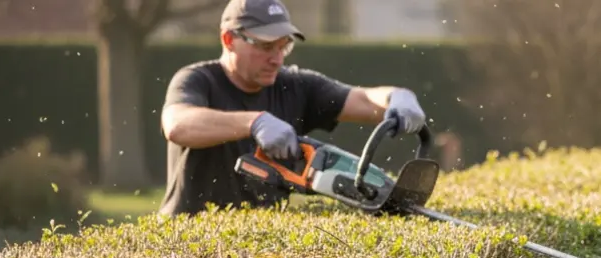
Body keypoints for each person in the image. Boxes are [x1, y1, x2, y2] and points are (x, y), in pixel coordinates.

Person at [157, 0, 428, 216]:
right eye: (265, 46)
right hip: (190, 238)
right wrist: (255, 122)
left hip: (264, 244)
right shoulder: (197, 80)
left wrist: (397, 98)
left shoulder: (295, 85)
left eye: (283, 46)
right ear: (229, 39)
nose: (276, 59)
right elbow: (178, 125)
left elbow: (366, 100)